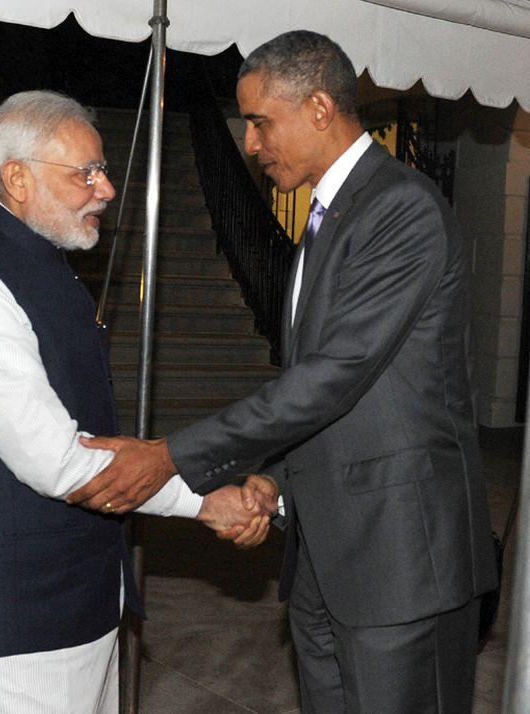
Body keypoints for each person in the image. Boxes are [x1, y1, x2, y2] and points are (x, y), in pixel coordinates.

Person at [66, 32, 499, 712]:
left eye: (262, 121)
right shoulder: (326, 220)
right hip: (326, 552)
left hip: (400, 558)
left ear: (320, 107)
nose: (251, 142)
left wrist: (173, 457)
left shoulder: (400, 209)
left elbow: (335, 375)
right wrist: (273, 479)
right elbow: (332, 398)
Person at [0, 89, 276, 714]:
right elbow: (60, 462)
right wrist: (203, 499)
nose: (104, 189)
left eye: (102, 170)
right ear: (16, 178)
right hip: (6, 627)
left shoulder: (39, 262)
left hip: (69, 609)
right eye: (86, 174)